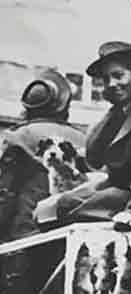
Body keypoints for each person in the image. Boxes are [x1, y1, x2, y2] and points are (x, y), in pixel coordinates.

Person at [50, 41, 131, 228]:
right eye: (106, 79)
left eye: (118, 76)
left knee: (68, 210)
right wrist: (113, 111)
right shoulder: (120, 113)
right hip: (115, 188)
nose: (111, 84)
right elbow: (95, 156)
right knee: (52, 207)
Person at [0, 69, 84, 242]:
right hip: (69, 235)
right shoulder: (82, 139)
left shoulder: (17, 136)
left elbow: (4, 194)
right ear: (64, 105)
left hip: (24, 235)